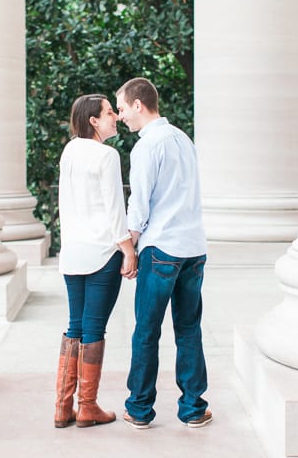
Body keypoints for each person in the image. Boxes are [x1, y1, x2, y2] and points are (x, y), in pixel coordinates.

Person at [115, 77, 212, 429]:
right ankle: (193, 409)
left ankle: (139, 409)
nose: (121, 116)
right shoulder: (184, 139)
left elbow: (139, 204)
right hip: (194, 249)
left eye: (123, 108)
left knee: (146, 331)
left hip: (161, 249)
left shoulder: (147, 146)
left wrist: (130, 245)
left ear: (138, 104)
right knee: (188, 330)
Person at [54, 93, 137, 429]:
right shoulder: (106, 155)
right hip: (103, 252)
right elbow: (115, 207)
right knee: (94, 329)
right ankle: (87, 407)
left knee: (75, 326)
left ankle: (62, 408)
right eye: (108, 113)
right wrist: (128, 249)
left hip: (73, 252)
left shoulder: (69, 151)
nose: (115, 116)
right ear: (93, 121)